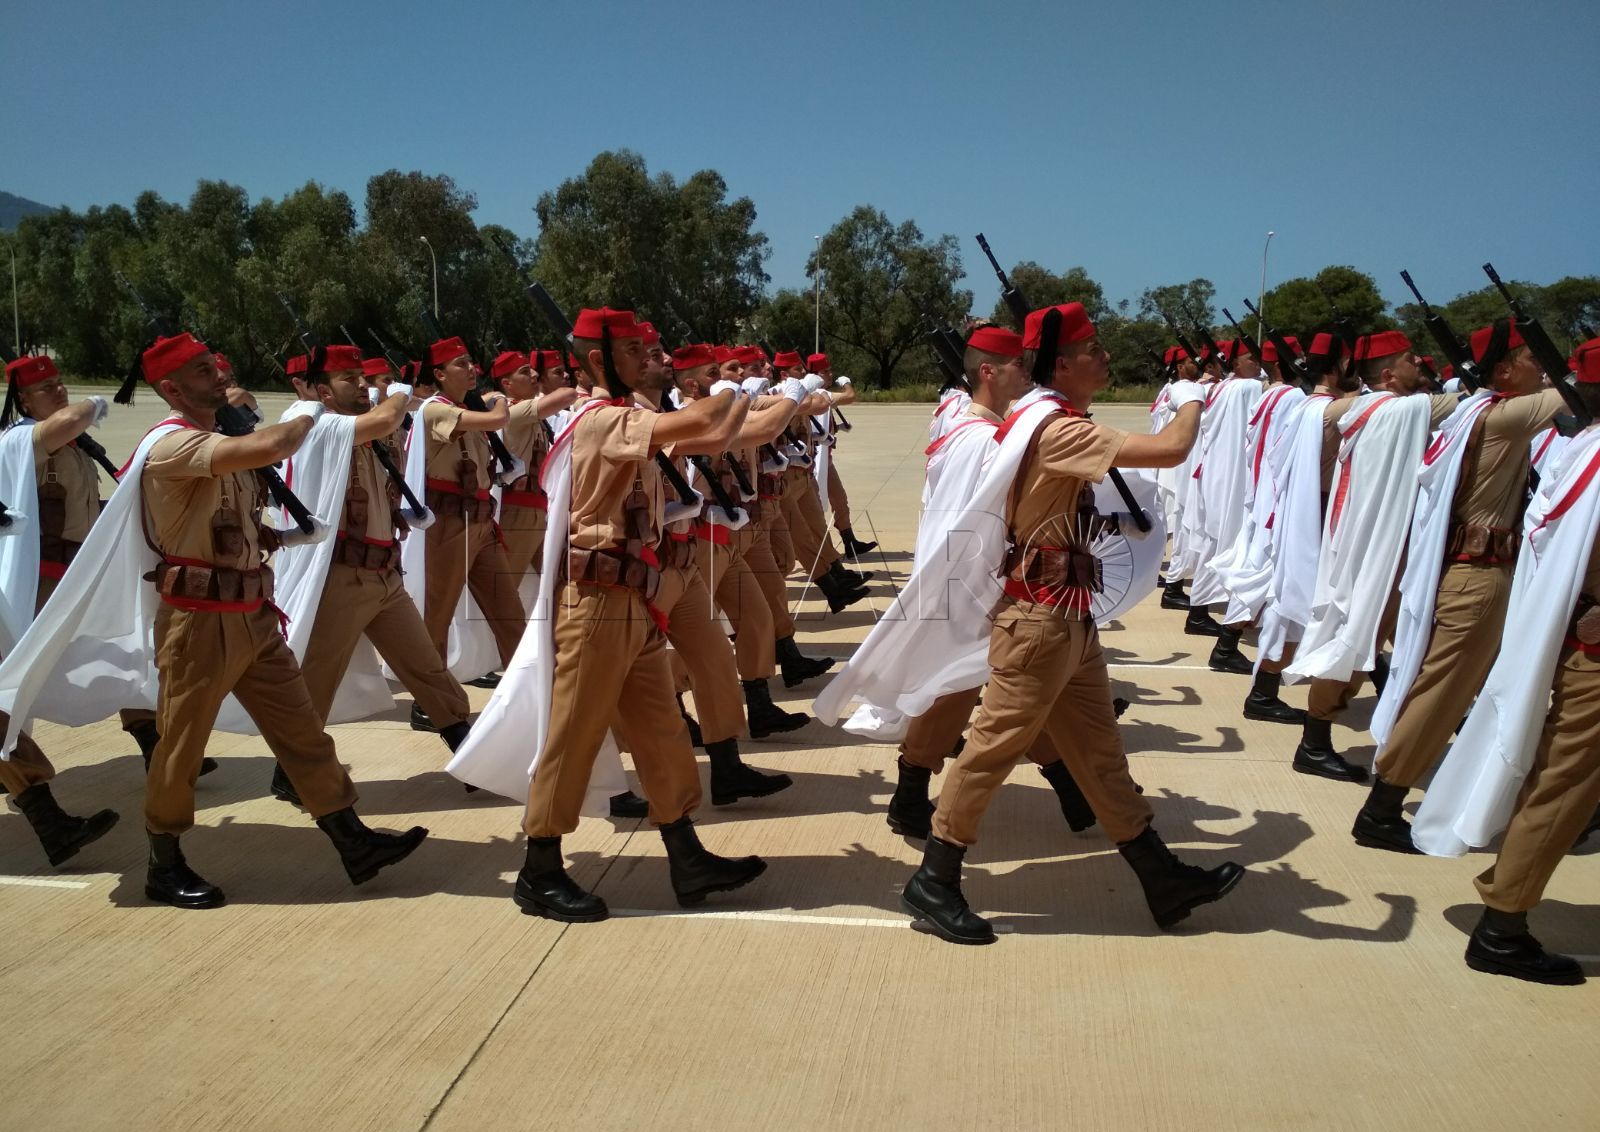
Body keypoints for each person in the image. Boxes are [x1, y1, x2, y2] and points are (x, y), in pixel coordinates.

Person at [898, 303, 1242, 944]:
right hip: (1039, 622)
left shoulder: (1051, 418)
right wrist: (1193, 395)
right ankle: (935, 879)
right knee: (990, 752)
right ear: (1060, 364)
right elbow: (1171, 448)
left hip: (1067, 617)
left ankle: (1160, 878)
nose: (1105, 357)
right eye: (1093, 349)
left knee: (1102, 756)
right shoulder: (1057, 430)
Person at [479, 309, 769, 923]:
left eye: (649, 348)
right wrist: (729, 386)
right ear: (596, 361)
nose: (649, 357)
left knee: (662, 731)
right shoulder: (603, 421)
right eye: (635, 350)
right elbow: (704, 419)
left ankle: (686, 855)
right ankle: (540, 867)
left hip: (633, 598)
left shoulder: (629, 418)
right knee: (575, 734)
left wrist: (739, 398)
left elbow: (715, 438)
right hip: (597, 603)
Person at [138, 333, 427, 906]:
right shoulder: (172, 445)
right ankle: (162, 860)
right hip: (198, 621)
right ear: (171, 388)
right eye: (202, 372)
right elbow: (272, 445)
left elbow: (231, 518)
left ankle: (351, 839)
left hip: (252, 611)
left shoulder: (220, 437)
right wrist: (313, 415)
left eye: (216, 366)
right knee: (181, 747)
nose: (219, 376)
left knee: (302, 731)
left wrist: (278, 535)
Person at [1409, 339, 1600, 984]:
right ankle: (1504, 924)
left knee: (1560, 778)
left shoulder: (1582, 451)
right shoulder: (1535, 429)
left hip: (1567, 627)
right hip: (1587, 644)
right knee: (1564, 783)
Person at [1355, 322, 1572, 853]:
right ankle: (1381, 809)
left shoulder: (1473, 410)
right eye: (1527, 358)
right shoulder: (1508, 413)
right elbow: (1574, 392)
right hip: (1478, 578)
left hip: (1463, 571)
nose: (1538, 368)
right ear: (1502, 372)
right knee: (1442, 694)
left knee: (1444, 689)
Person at [263, 344, 473, 804]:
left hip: (381, 576)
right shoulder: (317, 423)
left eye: (363, 376)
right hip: (341, 577)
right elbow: (384, 420)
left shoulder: (360, 433)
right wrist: (398, 393)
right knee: (317, 681)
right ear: (323, 391)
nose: (362, 385)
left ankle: (471, 754)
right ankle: (292, 772)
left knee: (428, 670)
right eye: (348, 378)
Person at [0, 354, 190, 774]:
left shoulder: (69, 447)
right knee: (21, 673)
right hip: (42, 582)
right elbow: (66, 422)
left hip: (79, 575)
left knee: (120, 654)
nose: (59, 391)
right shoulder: (21, 439)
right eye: (46, 389)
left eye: (61, 383)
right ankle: (14, 766)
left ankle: (152, 746)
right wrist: (89, 406)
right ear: (25, 401)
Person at [403, 337, 527, 697]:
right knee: (437, 617)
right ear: (439, 374)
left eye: (470, 361)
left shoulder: (465, 406)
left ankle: (525, 693)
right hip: (450, 524)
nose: (471, 368)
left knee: (509, 612)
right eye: (460, 364)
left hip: (482, 523)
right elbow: (497, 419)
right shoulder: (434, 408)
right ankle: (430, 699)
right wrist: (499, 398)